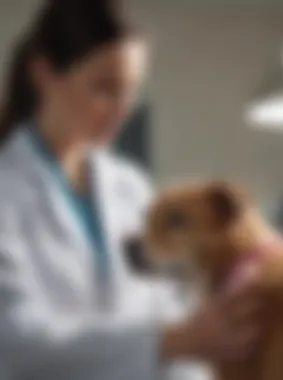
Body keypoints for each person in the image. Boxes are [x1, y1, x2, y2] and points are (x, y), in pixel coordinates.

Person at [0, 0, 258, 379]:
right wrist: (170, 342)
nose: (122, 109)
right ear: (43, 74)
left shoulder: (132, 187)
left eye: (130, 91)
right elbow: (15, 340)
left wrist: (194, 346)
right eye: (105, 88)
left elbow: (172, 312)